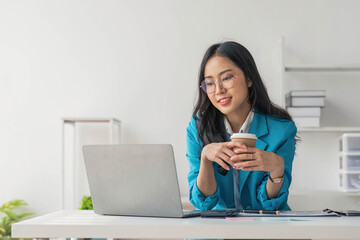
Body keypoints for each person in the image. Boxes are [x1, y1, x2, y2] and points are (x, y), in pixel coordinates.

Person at [186, 41, 297, 212]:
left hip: (265, 230)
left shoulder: (282, 130)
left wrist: (277, 170)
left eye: (227, 78)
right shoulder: (197, 129)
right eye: (210, 83)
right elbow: (202, 204)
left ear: (249, 78)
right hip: (217, 231)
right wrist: (206, 159)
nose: (218, 90)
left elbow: (271, 205)